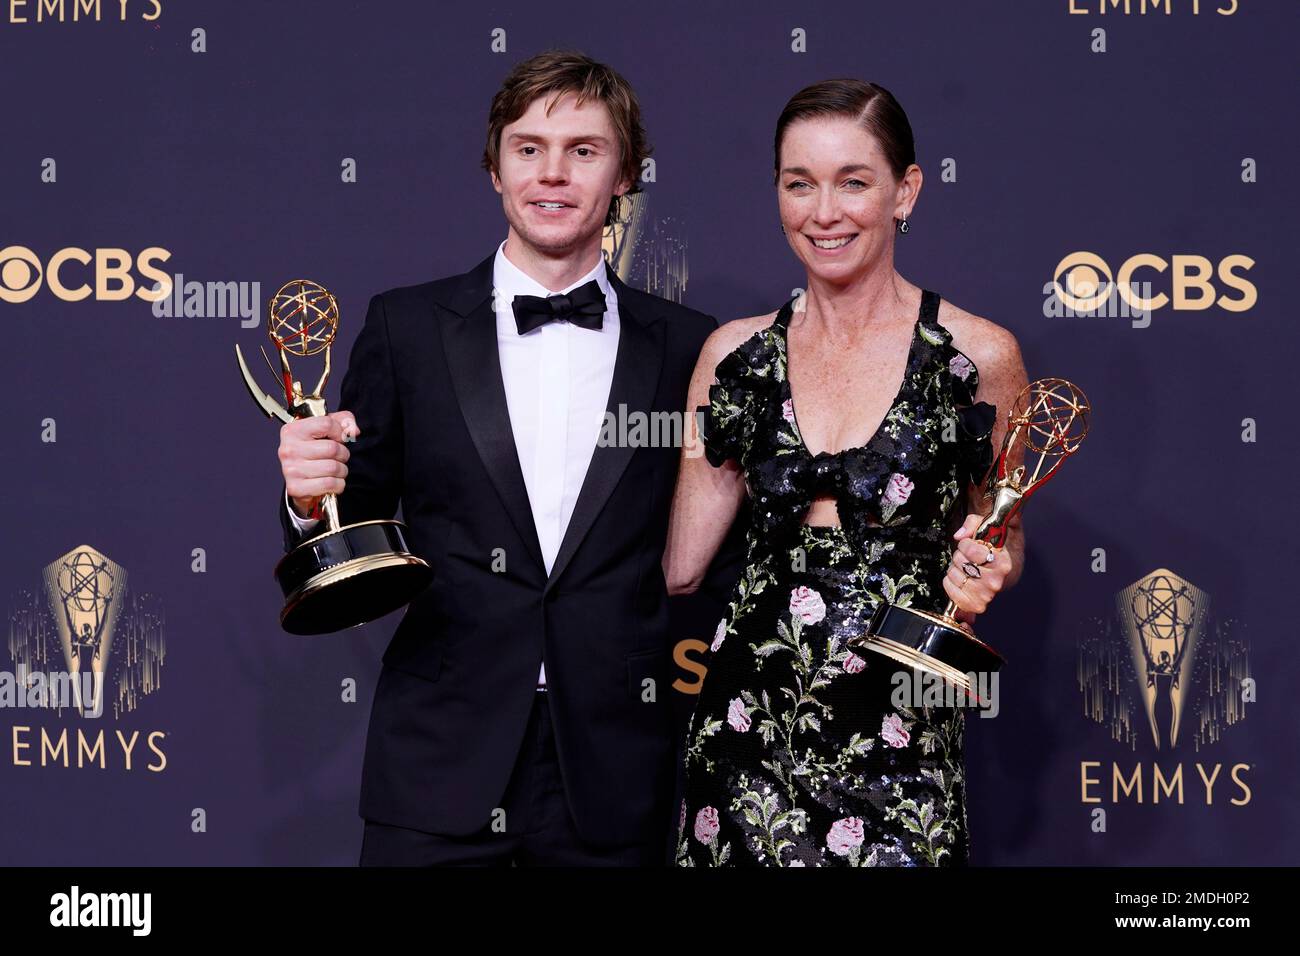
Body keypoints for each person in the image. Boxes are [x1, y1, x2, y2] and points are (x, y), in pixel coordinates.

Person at [276, 50, 719, 865]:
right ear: (494, 167)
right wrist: (311, 498)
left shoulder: (694, 350)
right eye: (528, 149)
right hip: (438, 761)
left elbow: (721, 550)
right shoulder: (406, 329)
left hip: (615, 774)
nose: (552, 174)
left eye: (584, 151)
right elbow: (354, 515)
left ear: (625, 175)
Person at [664, 79, 1029, 867]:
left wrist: (986, 569)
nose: (824, 212)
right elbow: (683, 565)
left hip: (902, 723)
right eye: (800, 184)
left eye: (853, 182)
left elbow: (1004, 538)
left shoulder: (978, 357)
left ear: (906, 190)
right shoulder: (733, 357)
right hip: (745, 727)